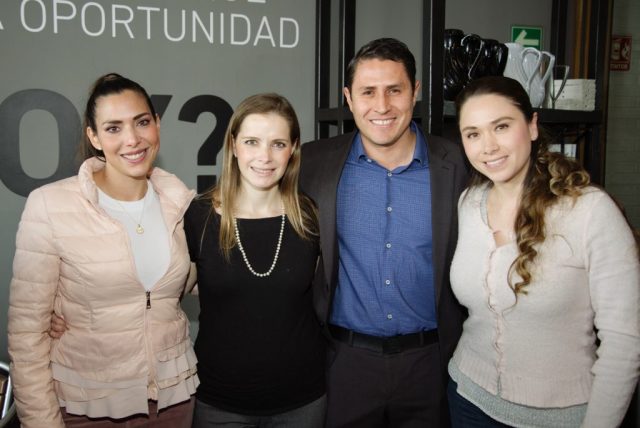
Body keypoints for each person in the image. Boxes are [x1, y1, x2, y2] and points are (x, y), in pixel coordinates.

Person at [447, 75, 640, 427]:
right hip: (467, 399)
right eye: (473, 134)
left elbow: (625, 342)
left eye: (501, 126)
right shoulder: (468, 203)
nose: (488, 146)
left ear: (532, 126)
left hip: (562, 416)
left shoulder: (590, 211)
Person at [8, 73, 199, 427]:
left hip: (172, 403)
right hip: (86, 407)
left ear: (157, 124)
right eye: (113, 128)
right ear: (93, 137)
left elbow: (203, 279)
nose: (132, 139)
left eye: (142, 122)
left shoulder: (181, 203)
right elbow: (27, 336)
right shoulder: (50, 205)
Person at [299, 38, 469, 427]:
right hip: (344, 364)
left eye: (395, 90)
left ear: (415, 92)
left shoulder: (458, 166)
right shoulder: (312, 164)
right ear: (348, 98)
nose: (381, 106)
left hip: (432, 365)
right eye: (367, 92)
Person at [184, 93, 327, 427]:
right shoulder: (199, 216)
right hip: (220, 402)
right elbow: (174, 290)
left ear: (293, 149)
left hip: (302, 400)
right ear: (233, 145)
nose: (265, 157)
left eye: (278, 144)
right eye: (252, 142)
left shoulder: (311, 216)